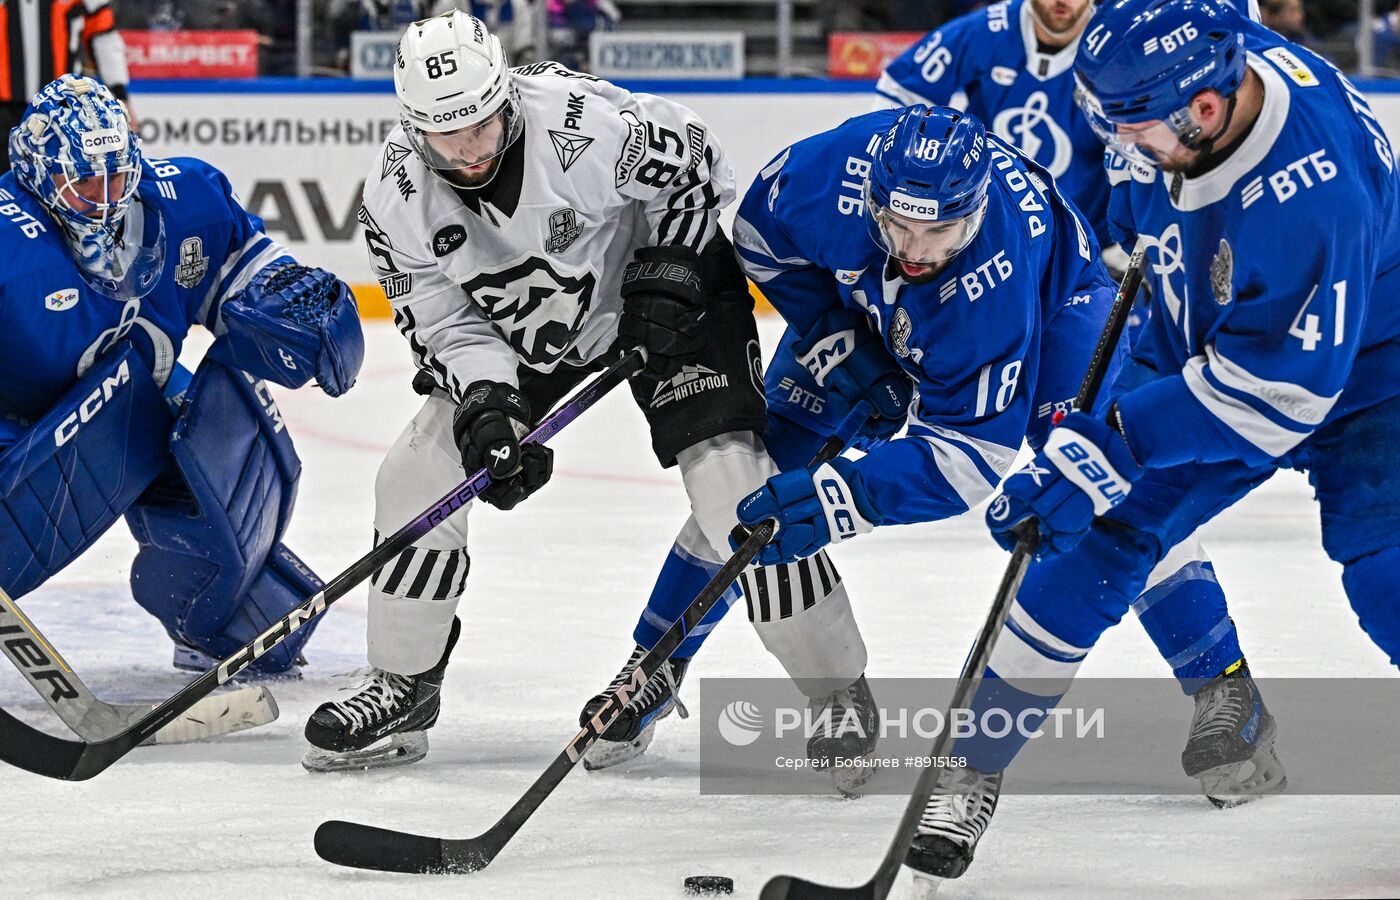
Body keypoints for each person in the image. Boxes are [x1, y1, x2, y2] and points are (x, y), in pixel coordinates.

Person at [913, 0, 1400, 880]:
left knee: (1387, 574)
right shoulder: (1193, 77)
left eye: (1135, 131)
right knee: (1094, 539)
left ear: (1205, 111)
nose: (1121, 144)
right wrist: (1093, 444)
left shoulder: (1310, 187)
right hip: (1208, 340)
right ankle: (971, 766)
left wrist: (1118, 439)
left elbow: (1278, 398)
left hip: (1373, 370)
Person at [301, 11, 845, 773]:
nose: (467, 150)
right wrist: (491, 408)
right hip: (535, 324)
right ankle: (404, 683)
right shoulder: (395, 200)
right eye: (444, 136)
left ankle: (837, 693)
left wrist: (670, 269)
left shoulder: (581, 124)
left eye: (481, 125)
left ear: (506, 99)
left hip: (665, 297)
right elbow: (447, 324)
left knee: (736, 487)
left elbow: (695, 162)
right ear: (413, 127)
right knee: (417, 472)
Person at [873, 0, 1287, 811]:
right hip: (963, 296)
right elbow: (894, 125)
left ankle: (1225, 690)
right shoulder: (981, 37)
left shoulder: (1133, 45)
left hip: (1076, 294)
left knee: (1113, 486)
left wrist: (1147, 221)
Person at [0, 75, 364, 677]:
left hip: (143, 403)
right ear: (40, 176)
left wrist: (292, 306)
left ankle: (214, 619)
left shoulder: (185, 200)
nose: (108, 200)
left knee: (223, 461)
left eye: (119, 177)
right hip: (24, 424)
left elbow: (242, 273)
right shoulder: (9, 242)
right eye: (86, 184)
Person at [0, 1, 132, 169]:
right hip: (4, 106)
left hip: (63, 105)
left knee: (68, 172)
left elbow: (104, 36)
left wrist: (120, 93)